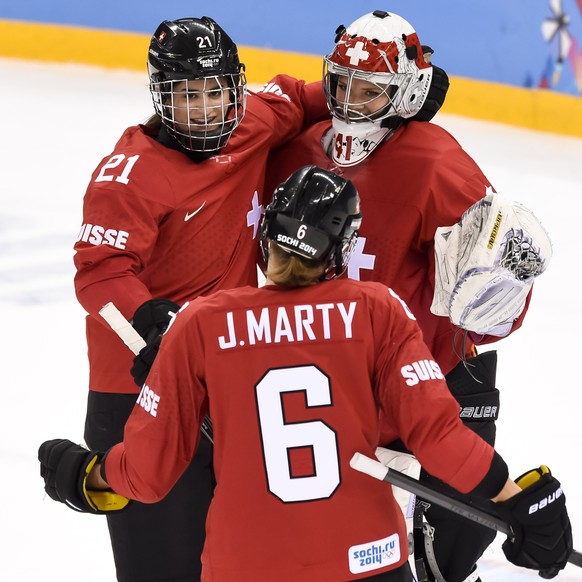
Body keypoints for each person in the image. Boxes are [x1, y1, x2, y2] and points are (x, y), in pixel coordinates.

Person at [39, 166, 572, 581]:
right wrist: (518, 498)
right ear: (340, 250)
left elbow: (148, 474)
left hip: (245, 567)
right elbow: (439, 438)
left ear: (265, 234)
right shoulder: (376, 310)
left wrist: (87, 477)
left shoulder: (200, 324)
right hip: (368, 559)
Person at [264, 10, 553, 582]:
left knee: (434, 566)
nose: (349, 103)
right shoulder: (295, 153)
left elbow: (496, 315)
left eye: (369, 91)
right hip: (320, 398)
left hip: (422, 400)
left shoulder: (437, 166)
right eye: (340, 84)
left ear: (408, 92)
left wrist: (492, 302)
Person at [71, 15, 335, 582]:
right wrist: (153, 321)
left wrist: (383, 93)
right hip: (139, 390)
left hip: (233, 382)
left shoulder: (255, 122)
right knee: (163, 568)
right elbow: (98, 274)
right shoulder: (130, 176)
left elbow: (309, 96)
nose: (208, 110)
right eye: (188, 96)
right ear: (161, 96)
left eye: (217, 92)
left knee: (250, 559)